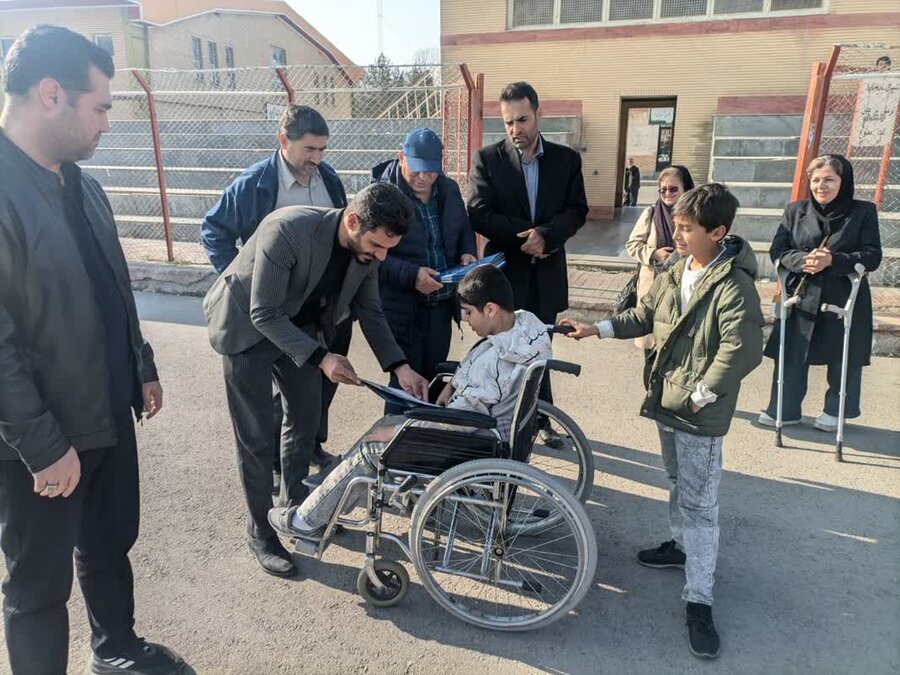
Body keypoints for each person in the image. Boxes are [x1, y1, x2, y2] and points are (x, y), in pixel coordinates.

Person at [0, 26, 184, 675]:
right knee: (38, 587)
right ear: (52, 93)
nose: (107, 123)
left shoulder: (85, 188)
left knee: (108, 545)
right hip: (43, 440)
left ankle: (117, 649)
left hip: (106, 415)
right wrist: (42, 443)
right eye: (100, 107)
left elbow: (114, 287)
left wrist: (142, 366)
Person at [562, 183, 764, 660]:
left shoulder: (734, 285)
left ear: (718, 232)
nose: (677, 233)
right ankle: (680, 547)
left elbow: (741, 349)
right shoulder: (678, 268)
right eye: (677, 224)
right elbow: (645, 315)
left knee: (701, 505)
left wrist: (701, 396)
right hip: (667, 398)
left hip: (696, 409)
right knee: (676, 480)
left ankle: (700, 601)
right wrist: (595, 329)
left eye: (687, 228)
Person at [203, 182, 430, 577]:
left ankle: (297, 512)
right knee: (256, 438)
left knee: (304, 421)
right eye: (377, 246)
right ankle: (260, 531)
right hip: (247, 329)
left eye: (388, 249)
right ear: (353, 221)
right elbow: (264, 313)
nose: (381, 256)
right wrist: (323, 358)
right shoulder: (288, 231)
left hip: (300, 328)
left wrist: (400, 366)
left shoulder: (368, 251)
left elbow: (370, 310)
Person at [267, 264, 552, 539]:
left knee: (372, 446)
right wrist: (454, 383)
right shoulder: (526, 326)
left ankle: (306, 520)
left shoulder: (494, 365)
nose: (465, 319)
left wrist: (398, 432)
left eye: (468, 312)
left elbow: (460, 423)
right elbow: (481, 375)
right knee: (385, 423)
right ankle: (332, 490)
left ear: (490, 309)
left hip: (471, 439)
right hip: (491, 430)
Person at [200, 104, 349, 493]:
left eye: (322, 150)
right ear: (284, 140)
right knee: (266, 403)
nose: (317, 159)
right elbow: (213, 230)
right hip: (263, 312)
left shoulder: (328, 180)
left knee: (308, 396)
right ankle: (272, 473)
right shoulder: (256, 184)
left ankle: (301, 457)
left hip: (310, 312)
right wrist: (240, 282)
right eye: (309, 149)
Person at [467, 81, 587, 448]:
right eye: (508, 122)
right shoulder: (488, 160)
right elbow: (478, 212)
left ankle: (540, 419)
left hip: (547, 273)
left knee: (539, 349)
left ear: (538, 115)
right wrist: (526, 236)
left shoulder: (566, 160)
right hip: (506, 276)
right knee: (504, 350)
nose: (515, 129)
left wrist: (547, 236)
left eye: (522, 120)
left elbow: (577, 210)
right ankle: (500, 420)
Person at [758, 155, 882, 432]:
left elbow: (872, 255)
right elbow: (779, 250)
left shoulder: (862, 212)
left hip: (842, 294)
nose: (821, 186)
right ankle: (784, 408)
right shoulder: (795, 211)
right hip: (803, 293)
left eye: (829, 179)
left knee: (843, 355)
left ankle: (836, 411)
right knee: (792, 351)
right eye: (815, 180)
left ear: (843, 181)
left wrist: (833, 260)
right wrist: (804, 260)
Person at [371, 127, 477, 411]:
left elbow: (464, 229)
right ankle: (395, 435)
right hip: (403, 310)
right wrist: (412, 276)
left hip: (440, 306)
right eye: (417, 169)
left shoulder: (448, 189)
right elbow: (371, 256)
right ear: (401, 157)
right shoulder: (381, 197)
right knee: (404, 387)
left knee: (435, 380)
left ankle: (426, 436)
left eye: (430, 171)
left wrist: (468, 253)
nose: (423, 177)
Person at [625, 165, 695, 350]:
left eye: (673, 189)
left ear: (686, 189)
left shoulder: (696, 216)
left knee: (677, 348)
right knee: (651, 349)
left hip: (683, 290)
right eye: (663, 190)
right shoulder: (651, 213)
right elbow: (633, 245)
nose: (667, 194)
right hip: (652, 291)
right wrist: (654, 254)